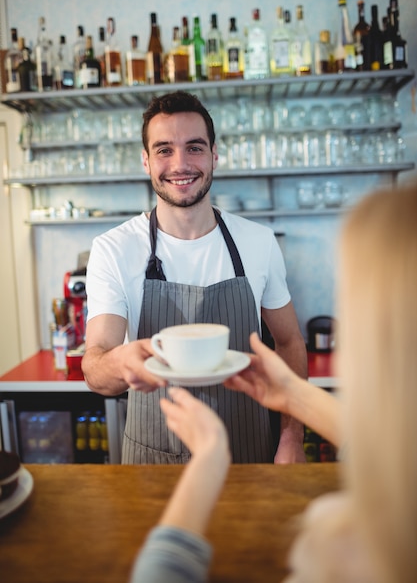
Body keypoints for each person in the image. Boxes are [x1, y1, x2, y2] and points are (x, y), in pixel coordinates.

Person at [130, 182, 417, 583]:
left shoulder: (341, 547)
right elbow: (380, 451)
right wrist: (296, 397)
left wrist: (211, 457)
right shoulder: (396, 486)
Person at [82, 90, 307, 464]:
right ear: (146, 161)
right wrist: (123, 362)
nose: (181, 163)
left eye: (195, 147)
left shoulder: (258, 242)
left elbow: (289, 343)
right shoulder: (113, 249)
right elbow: (95, 367)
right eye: (164, 149)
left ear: (214, 155)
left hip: (247, 456)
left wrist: (291, 437)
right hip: (152, 461)